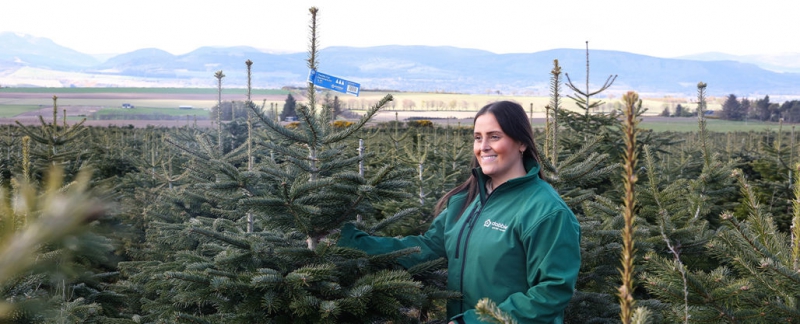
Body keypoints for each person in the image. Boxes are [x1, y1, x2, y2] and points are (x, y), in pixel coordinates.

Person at [337, 101, 581, 323]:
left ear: (522, 143)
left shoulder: (545, 210)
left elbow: (552, 291)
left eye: (494, 137)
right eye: (477, 137)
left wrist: (474, 321)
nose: (483, 146)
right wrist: (348, 239)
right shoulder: (468, 199)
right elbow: (426, 248)